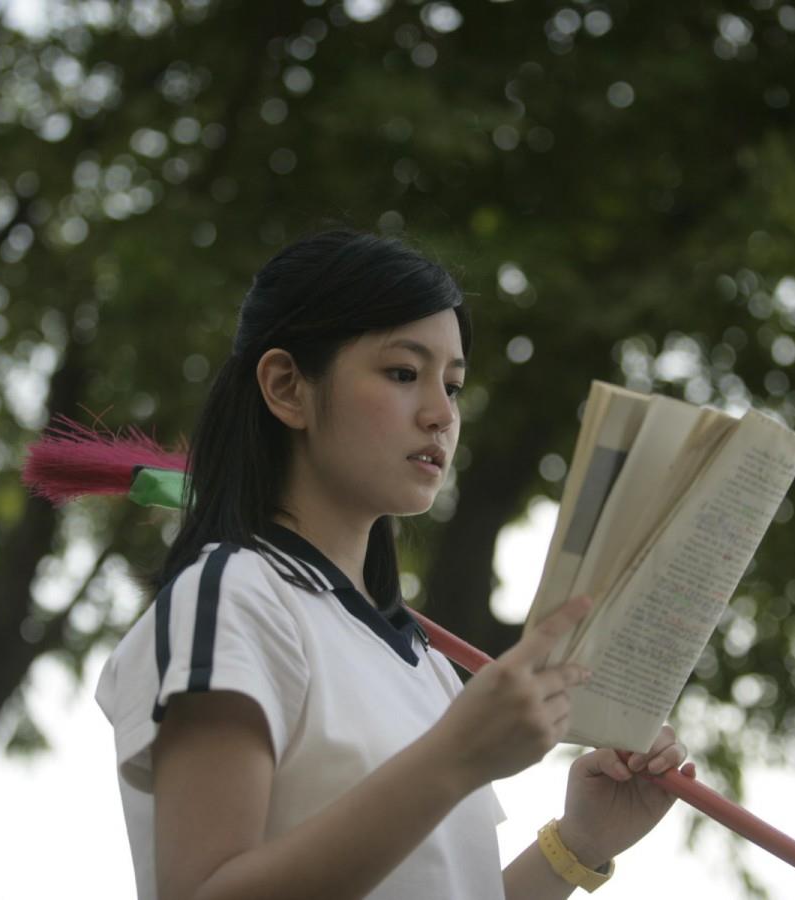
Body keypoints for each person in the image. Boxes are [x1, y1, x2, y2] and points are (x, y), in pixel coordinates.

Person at [95, 229, 693, 900]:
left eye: (454, 385)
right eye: (404, 373)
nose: (442, 415)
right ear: (287, 386)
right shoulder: (233, 595)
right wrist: (456, 756)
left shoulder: (424, 662)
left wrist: (578, 845)